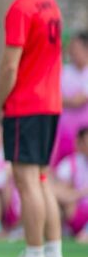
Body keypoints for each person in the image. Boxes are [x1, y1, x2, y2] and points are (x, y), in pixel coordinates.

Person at [0, 0, 65, 257]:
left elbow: (10, 65)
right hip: (50, 103)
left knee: (26, 181)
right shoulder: (48, 0)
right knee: (40, 179)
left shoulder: (20, 8)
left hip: (26, 104)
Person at [52, 31, 88, 169]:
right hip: (62, 133)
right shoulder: (64, 71)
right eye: (71, 48)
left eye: (76, 48)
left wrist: (59, 100)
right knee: (60, 168)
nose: (72, 52)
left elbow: (78, 101)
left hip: (84, 135)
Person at [53, 127, 88, 244]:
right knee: (62, 202)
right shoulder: (70, 164)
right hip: (77, 211)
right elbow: (57, 193)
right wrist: (82, 193)